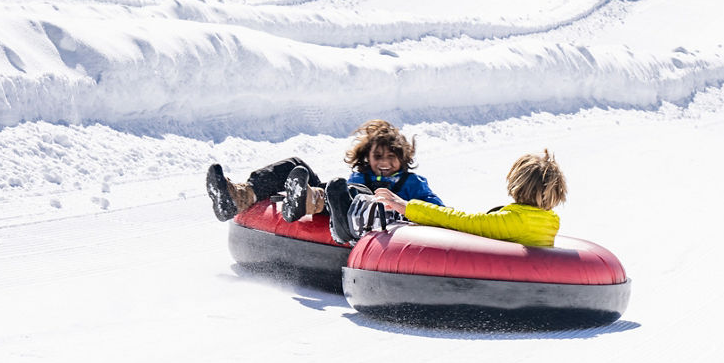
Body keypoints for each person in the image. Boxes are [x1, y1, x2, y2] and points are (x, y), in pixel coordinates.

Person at [206, 119, 442, 228]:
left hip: (380, 222)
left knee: (351, 191)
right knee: (295, 164)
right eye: (378, 157)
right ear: (367, 158)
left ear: (403, 158)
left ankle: (307, 199)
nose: (385, 163)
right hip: (347, 210)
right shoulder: (361, 176)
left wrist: (407, 207)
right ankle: (240, 196)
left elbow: (437, 209)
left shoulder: (412, 183)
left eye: (392, 157)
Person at [328, 149, 567, 247]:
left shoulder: (512, 220)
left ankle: (349, 224)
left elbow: (459, 220)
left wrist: (406, 206)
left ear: (516, 185)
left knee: (398, 221)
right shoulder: (550, 222)